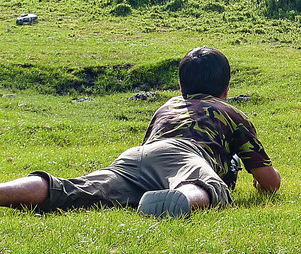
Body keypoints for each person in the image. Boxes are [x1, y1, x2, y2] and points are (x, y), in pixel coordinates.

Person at [0, 47, 281, 217]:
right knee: (211, 189)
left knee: (74, 188)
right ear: (226, 89)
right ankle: (182, 199)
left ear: (181, 88)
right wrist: (258, 184)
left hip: (137, 157)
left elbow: (154, 157)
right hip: (186, 156)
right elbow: (270, 182)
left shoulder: (168, 106)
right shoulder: (230, 111)